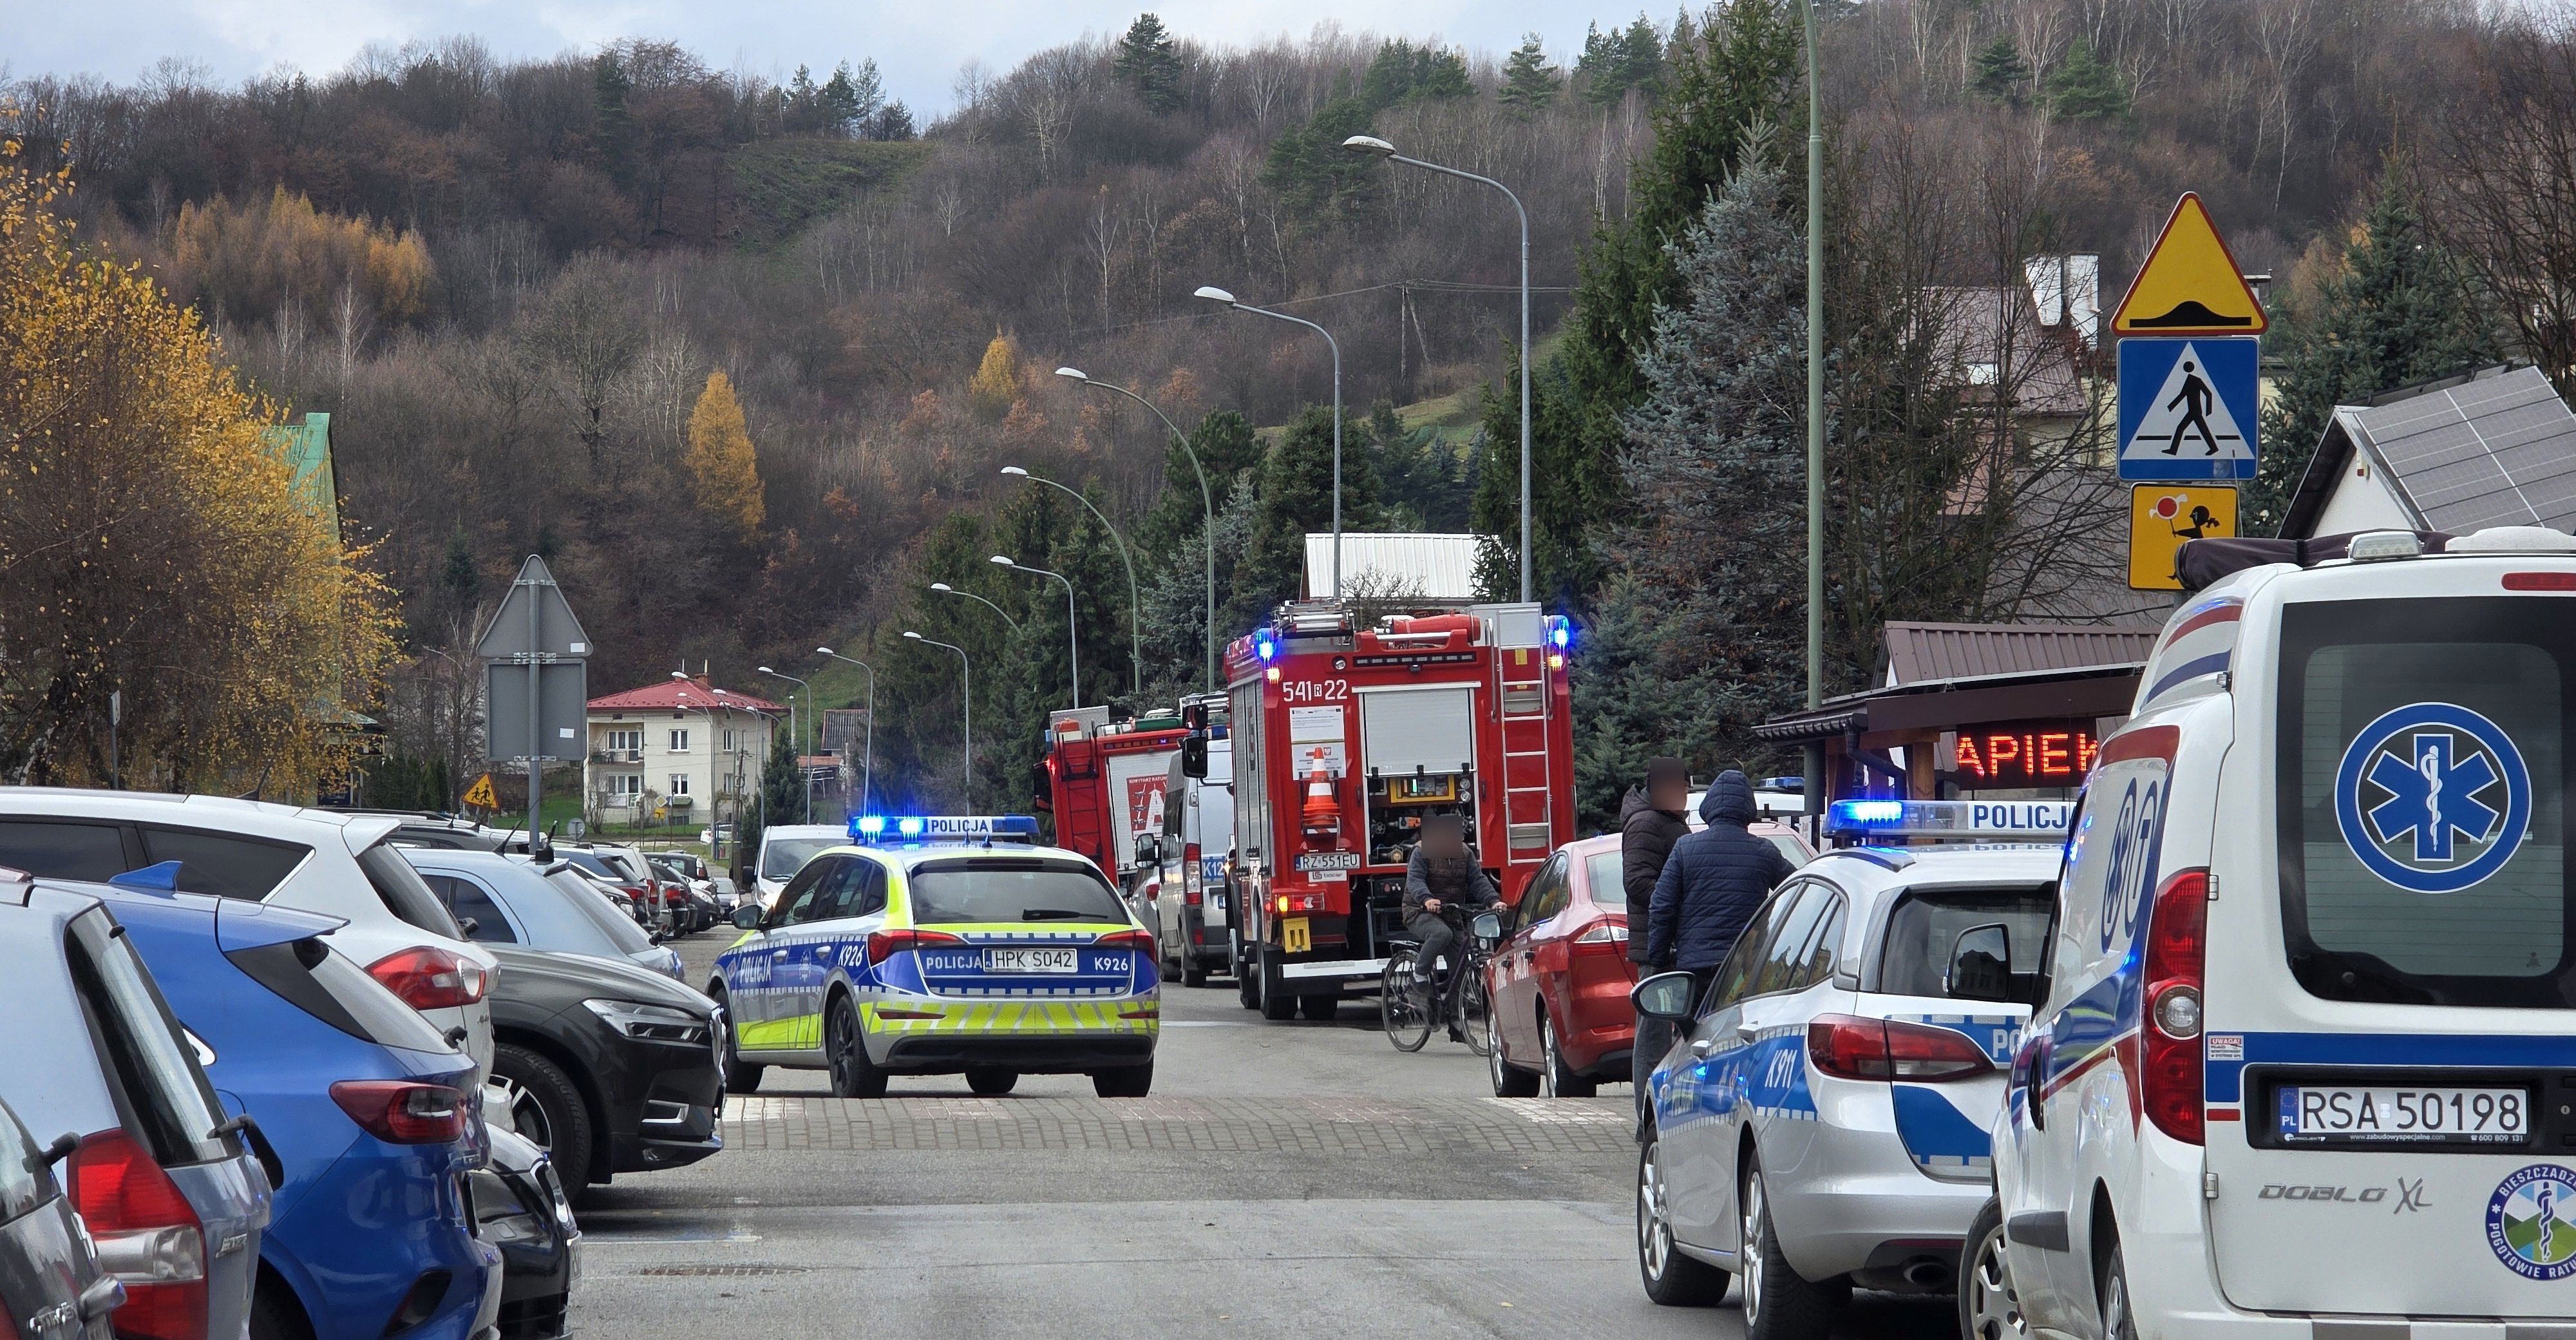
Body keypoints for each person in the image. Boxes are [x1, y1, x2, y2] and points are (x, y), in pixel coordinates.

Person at [1646, 770, 1795, 1009]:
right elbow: (1797, 893)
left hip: (1695, 969)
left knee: (1692, 1038)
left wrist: (1660, 960)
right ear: (1749, 809)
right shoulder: (1765, 852)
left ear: (1709, 807)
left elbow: (1662, 907)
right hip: (1744, 971)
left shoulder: (1685, 849)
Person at [1620, 758, 1693, 1124]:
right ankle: (1646, 1120)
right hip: (1657, 942)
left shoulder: (1664, 821)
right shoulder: (1647, 822)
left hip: (1669, 939)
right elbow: (1636, 881)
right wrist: (1676, 902)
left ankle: (1665, 1116)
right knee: (1652, 1036)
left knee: (1667, 1032)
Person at [1403, 813, 1498, 1039]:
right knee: (1440, 934)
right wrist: (1426, 899)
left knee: (1461, 966)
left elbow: (1477, 881)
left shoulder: (1465, 854)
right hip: (1419, 911)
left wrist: (1494, 900)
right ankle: (1418, 979)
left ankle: (1456, 1022)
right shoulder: (1421, 851)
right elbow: (1415, 880)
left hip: (1451, 913)